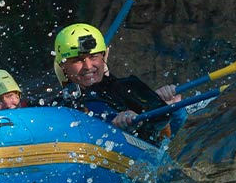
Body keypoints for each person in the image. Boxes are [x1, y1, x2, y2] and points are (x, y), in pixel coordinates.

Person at [53, 22, 184, 141]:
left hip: (140, 149)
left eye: (93, 57)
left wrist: (153, 109)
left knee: (177, 110)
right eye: (78, 60)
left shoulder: (127, 87)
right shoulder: (63, 101)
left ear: (104, 57)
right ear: (63, 66)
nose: (88, 66)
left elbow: (162, 118)